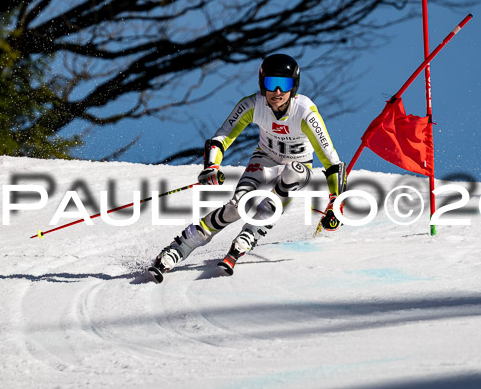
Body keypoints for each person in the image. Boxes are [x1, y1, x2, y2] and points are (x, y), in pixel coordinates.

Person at [148, 53, 346, 282]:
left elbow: (332, 161)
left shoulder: (305, 113)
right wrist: (212, 166)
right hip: (264, 159)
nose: (278, 92)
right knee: (236, 206)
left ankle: (248, 236)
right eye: (271, 84)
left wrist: (336, 202)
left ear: (295, 86)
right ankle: (178, 248)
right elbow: (222, 137)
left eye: (285, 85)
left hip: (299, 166)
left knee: (290, 174)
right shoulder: (253, 105)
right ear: (263, 84)